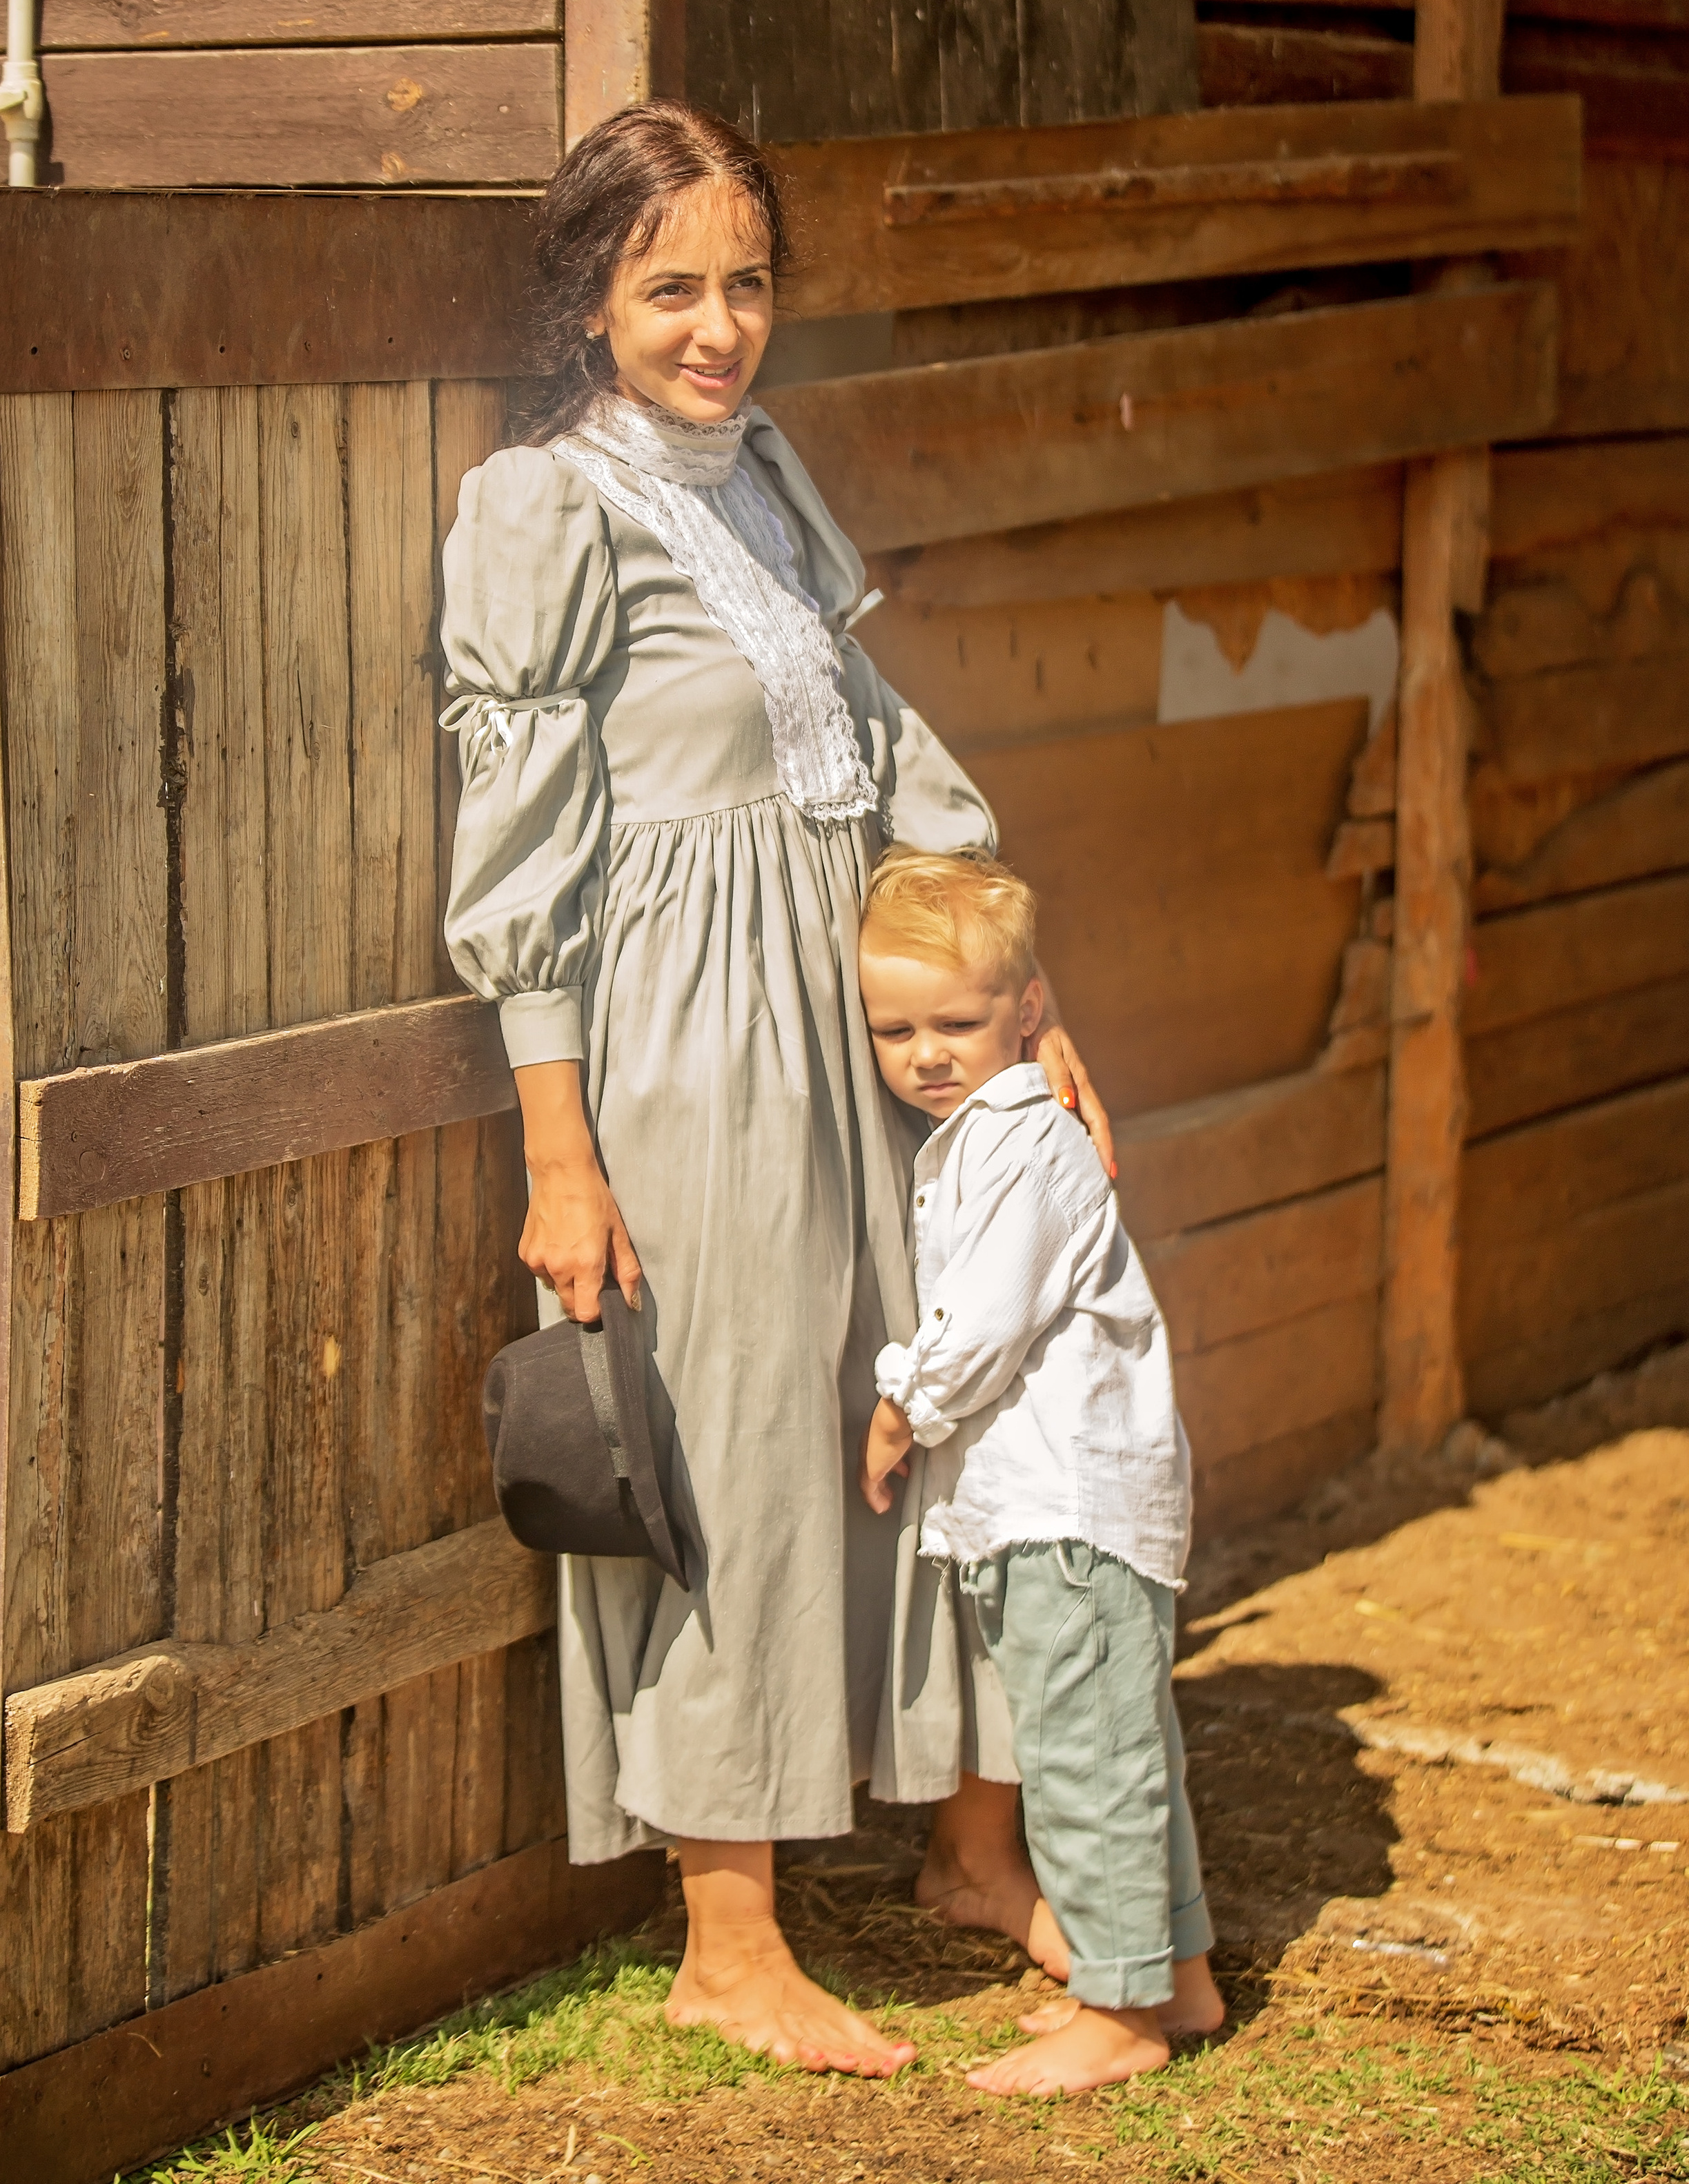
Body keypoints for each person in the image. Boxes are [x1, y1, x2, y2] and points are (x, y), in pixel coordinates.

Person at [439, 101, 1111, 2076]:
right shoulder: (541, 509)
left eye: (746, 284)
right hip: (694, 1033)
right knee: (729, 1431)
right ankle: (728, 1941)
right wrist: (560, 1150)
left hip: (862, 1010)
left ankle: (973, 1852)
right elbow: (518, 853)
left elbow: (884, 754)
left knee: (934, 1392)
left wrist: (1020, 994)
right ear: (590, 301)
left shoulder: (764, 475)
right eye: (672, 290)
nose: (719, 327)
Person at [858, 846, 1224, 2096]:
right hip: (1061, 1510)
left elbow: (986, 1319)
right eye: (896, 1031)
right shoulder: (979, 1138)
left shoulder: (1026, 1146)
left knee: (1085, 1762)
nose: (927, 1055)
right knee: (1125, 1743)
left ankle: (1119, 2015)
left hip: (1071, 1513)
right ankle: (1177, 1974)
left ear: (1027, 1011)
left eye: (956, 1025)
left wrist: (904, 1408)